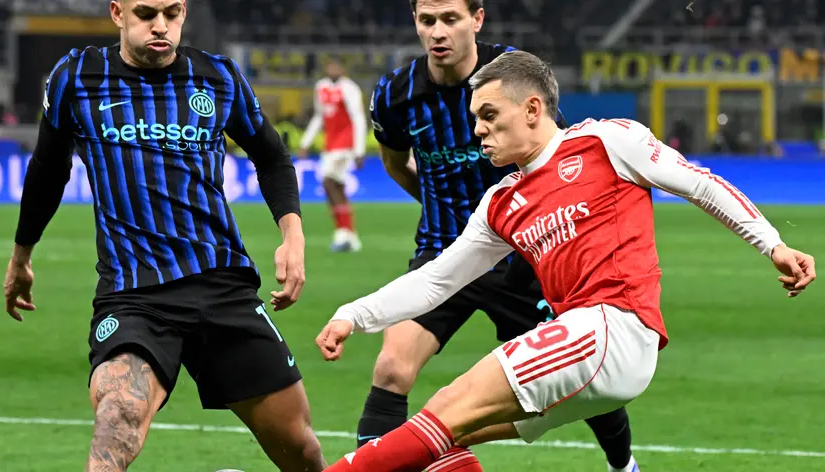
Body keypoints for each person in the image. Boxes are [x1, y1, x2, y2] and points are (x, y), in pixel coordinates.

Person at [316, 50, 816, 471]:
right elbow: (437, 280)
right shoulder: (500, 202)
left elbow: (700, 184)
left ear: (532, 108)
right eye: (474, 119)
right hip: (587, 348)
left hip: (615, 326)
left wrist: (773, 245)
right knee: (448, 438)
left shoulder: (607, 141)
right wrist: (353, 315)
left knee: (447, 405)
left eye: (489, 115)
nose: (478, 130)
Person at [2, 0, 326, 470]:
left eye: (172, 14)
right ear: (117, 13)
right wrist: (21, 255)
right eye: (146, 14)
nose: (161, 26)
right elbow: (48, 171)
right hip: (135, 295)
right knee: (118, 415)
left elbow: (272, 157)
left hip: (223, 285)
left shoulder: (218, 78)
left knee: (302, 450)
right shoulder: (78, 77)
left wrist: (293, 237)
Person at [357, 0, 639, 470]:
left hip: (523, 260)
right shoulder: (395, 93)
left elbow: (554, 155)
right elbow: (394, 162)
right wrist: (437, 204)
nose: (438, 32)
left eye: (450, 19)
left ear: (477, 19)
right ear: (416, 23)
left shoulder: (513, 75)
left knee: (581, 378)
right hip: (443, 251)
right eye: (428, 21)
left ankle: (623, 464)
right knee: (391, 368)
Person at [297, 56, 367, 252]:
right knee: (335, 187)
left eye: (337, 67)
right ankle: (349, 235)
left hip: (345, 144)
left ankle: (344, 232)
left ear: (343, 69)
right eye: (330, 66)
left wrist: (359, 150)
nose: (333, 70)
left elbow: (358, 118)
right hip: (330, 145)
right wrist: (306, 142)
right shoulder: (321, 87)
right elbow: (319, 116)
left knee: (329, 182)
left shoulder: (350, 89)